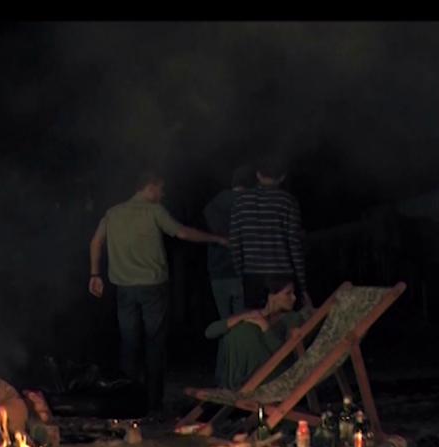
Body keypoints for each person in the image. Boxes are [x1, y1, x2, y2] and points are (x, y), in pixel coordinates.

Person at [88, 170, 228, 415]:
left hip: (124, 289)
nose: (162, 194)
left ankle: (128, 402)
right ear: (149, 187)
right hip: (152, 288)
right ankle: (153, 403)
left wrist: (94, 274)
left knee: (129, 344)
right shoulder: (154, 211)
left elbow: (95, 242)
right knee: (154, 344)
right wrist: (216, 239)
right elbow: (182, 232)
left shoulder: (113, 213)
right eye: (160, 189)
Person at [228, 157, 312, 310]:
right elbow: (295, 245)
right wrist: (302, 285)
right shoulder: (288, 201)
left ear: (258, 175)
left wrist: (242, 275)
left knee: (256, 319)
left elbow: (235, 243)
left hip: (252, 275)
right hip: (282, 277)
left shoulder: (240, 202)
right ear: (282, 177)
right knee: (285, 321)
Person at [204, 275, 304, 389]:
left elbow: (286, 355)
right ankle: (235, 383)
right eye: (288, 293)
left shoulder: (292, 318)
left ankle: (239, 384)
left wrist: (265, 327)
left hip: (271, 374)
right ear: (272, 296)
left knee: (247, 333)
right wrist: (243, 317)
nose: (294, 298)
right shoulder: (252, 314)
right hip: (243, 377)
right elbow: (209, 332)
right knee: (235, 333)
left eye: (293, 293)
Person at [203, 165, 255, 319]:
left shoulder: (214, 203)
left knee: (225, 322)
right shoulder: (251, 204)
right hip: (243, 272)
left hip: (218, 271)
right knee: (244, 321)